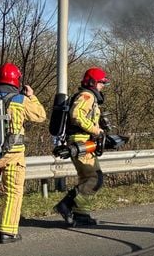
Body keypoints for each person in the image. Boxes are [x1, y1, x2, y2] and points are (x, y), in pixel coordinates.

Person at [0, 63, 46, 244]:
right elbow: (40, 116)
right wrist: (32, 96)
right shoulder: (21, 100)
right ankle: (7, 232)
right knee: (13, 192)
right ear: (16, 80)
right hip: (14, 155)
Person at [54, 67, 109, 227]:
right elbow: (76, 115)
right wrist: (95, 129)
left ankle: (81, 214)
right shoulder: (87, 95)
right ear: (92, 82)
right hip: (81, 141)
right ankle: (66, 204)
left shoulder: (91, 97)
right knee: (94, 179)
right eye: (101, 83)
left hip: (85, 141)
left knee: (89, 178)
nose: (102, 86)